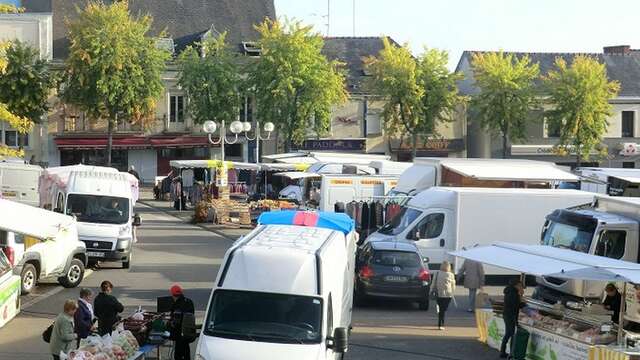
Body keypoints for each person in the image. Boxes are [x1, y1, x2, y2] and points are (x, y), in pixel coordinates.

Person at [168, 284, 195, 360]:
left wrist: (169, 324)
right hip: (188, 332)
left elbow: (176, 322)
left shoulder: (176, 305)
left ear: (173, 295)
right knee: (186, 352)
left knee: (178, 355)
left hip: (179, 334)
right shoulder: (189, 301)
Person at [500, 278, 525, 359]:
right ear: (517, 285)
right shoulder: (513, 293)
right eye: (521, 286)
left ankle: (504, 352)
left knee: (508, 333)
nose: (522, 288)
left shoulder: (510, 291)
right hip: (510, 315)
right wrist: (522, 300)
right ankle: (509, 353)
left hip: (508, 315)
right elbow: (516, 305)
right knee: (510, 334)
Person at [435, 261, 456, 330]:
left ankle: (440, 324)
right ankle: (441, 324)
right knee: (443, 310)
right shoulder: (451, 275)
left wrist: (431, 291)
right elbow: (453, 285)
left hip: (439, 293)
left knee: (441, 309)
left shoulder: (437, 273)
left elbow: (433, 283)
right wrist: (453, 292)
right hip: (448, 294)